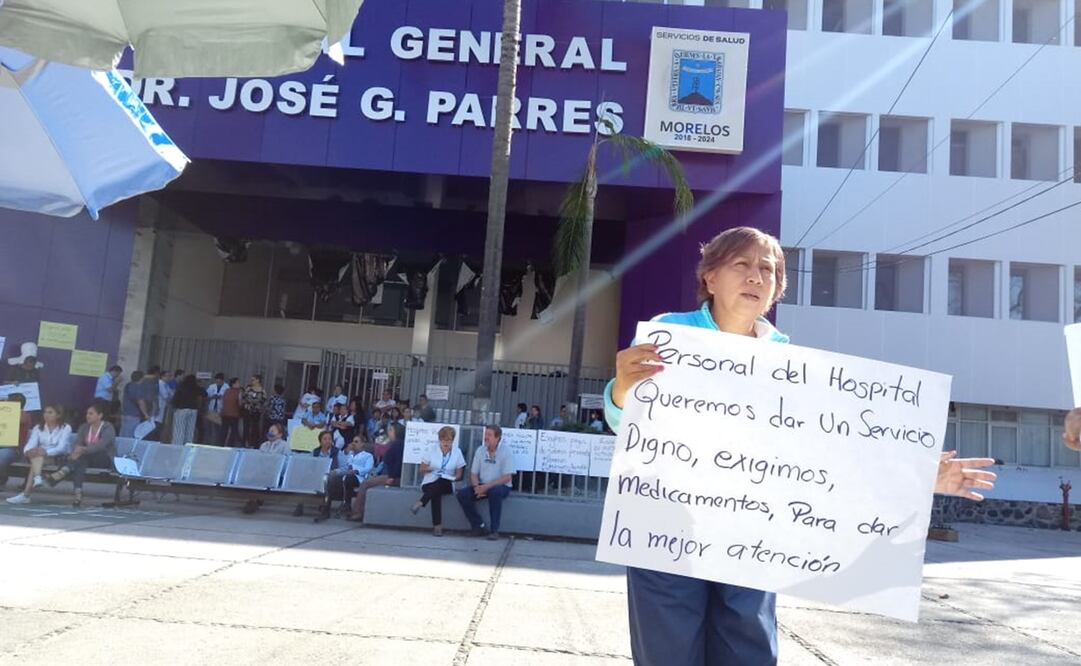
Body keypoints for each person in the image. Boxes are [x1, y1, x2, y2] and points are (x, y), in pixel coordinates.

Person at [604, 226, 998, 666]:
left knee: (746, 651)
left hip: (752, 532)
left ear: (776, 291)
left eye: (768, 270)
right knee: (668, 652)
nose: (757, 277)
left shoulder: (791, 364)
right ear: (710, 278)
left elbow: (833, 454)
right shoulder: (667, 336)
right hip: (666, 524)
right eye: (743, 265)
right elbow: (623, 421)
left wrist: (917, 476)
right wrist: (622, 388)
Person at [47, 401, 117, 507]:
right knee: (80, 463)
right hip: (85, 459)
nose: (87, 416)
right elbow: (77, 444)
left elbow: (101, 446)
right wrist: (77, 451)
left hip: (104, 458)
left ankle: (62, 472)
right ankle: (78, 495)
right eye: (87, 413)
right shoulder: (84, 427)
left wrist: (81, 450)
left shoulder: (108, 427)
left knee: (81, 457)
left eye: (91, 413)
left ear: (100, 415)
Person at [457, 424, 515, 540]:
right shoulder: (480, 450)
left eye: (489, 435)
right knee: (462, 495)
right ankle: (478, 526)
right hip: (482, 485)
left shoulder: (506, 452)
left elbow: (507, 477)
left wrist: (486, 487)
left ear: (497, 438)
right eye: (485, 434)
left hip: (500, 486)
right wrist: (477, 487)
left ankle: (494, 531)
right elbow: (474, 473)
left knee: (495, 492)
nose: (486, 437)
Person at [6, 403, 73, 504]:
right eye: (45, 412)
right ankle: (35, 481)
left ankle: (27, 493)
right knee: (36, 456)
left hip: (58, 457)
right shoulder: (38, 427)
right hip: (39, 456)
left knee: (36, 460)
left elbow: (61, 448)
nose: (46, 415)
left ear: (58, 415)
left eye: (50, 412)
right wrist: (28, 451)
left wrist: (45, 452)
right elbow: (30, 444)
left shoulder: (66, 427)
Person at [410, 426, 466, 536]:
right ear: (439, 440)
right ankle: (437, 527)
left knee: (440, 483)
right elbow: (421, 469)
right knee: (436, 492)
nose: (446, 443)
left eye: (449, 440)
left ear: (453, 441)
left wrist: (453, 477)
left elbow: (459, 474)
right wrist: (431, 468)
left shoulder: (457, 452)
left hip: (447, 483)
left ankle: (421, 502)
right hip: (430, 481)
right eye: (444, 440)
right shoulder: (431, 450)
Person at [348, 422, 405, 523]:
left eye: (391, 430)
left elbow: (397, 463)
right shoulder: (396, 444)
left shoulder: (397, 445)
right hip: (390, 474)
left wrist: (391, 477)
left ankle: (357, 512)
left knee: (365, 484)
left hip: (393, 476)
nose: (389, 432)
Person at [242, 423, 291, 514]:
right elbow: (258, 460)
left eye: (272, 431)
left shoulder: (285, 446)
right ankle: (253, 500)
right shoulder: (264, 445)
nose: (270, 433)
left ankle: (255, 500)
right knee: (253, 476)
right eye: (269, 431)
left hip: (276, 473)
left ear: (280, 434)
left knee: (260, 478)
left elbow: (286, 463)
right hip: (262, 471)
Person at [306, 431, 342, 520]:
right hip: (317, 476)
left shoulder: (337, 452)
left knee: (328, 481)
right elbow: (310, 466)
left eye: (329, 439)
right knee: (305, 477)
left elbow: (342, 468)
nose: (327, 441)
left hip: (333, 478)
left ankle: (326, 510)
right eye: (325, 439)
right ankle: (299, 504)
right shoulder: (315, 452)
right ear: (320, 441)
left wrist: (333, 472)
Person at [0, 394, 33, 488]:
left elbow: (21, 420)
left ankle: (2, 479)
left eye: (8, 401)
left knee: (1, 456)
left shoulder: (24, 415)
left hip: (13, 449)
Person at [171, 374, 202, 445]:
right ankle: (187, 446)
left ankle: (177, 446)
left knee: (179, 430)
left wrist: (174, 406)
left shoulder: (181, 386)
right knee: (190, 430)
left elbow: (176, 398)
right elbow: (202, 396)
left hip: (182, 409)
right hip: (193, 410)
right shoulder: (197, 388)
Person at [119, 370, 149, 438]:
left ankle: (120, 448)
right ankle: (127, 448)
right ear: (141, 378)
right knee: (129, 436)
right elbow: (141, 402)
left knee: (123, 434)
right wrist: (146, 414)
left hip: (125, 413)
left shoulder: (128, 385)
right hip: (133, 415)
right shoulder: (138, 387)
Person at [242, 374, 267, 448]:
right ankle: (245, 442)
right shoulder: (248, 388)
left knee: (255, 427)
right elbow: (244, 397)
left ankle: (254, 444)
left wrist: (258, 405)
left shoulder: (262, 390)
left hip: (256, 411)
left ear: (258, 380)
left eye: (253, 380)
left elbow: (264, 400)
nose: (252, 381)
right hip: (248, 409)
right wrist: (247, 403)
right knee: (246, 427)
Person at [205, 373, 227, 444]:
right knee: (210, 427)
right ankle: (209, 442)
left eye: (219, 381)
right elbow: (206, 397)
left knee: (218, 428)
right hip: (211, 410)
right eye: (217, 381)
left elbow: (227, 399)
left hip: (220, 410)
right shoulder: (211, 386)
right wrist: (213, 397)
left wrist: (221, 398)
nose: (218, 383)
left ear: (222, 381)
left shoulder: (227, 387)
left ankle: (217, 443)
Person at [221, 377, 243, 447]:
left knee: (224, 430)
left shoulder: (226, 391)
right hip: (234, 414)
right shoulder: (239, 392)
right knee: (234, 431)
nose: (239, 384)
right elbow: (240, 403)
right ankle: (231, 445)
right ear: (234, 384)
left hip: (225, 413)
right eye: (238, 383)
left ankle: (220, 444)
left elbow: (223, 401)